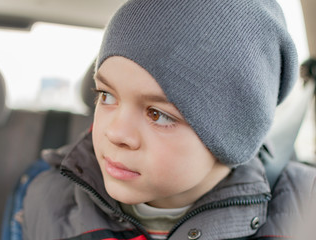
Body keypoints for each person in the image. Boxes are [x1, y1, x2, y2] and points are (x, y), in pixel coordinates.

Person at [21, 0, 316, 239]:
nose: (115, 133)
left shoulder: (305, 207)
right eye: (107, 95)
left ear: (234, 133)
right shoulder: (49, 201)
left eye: (157, 114)